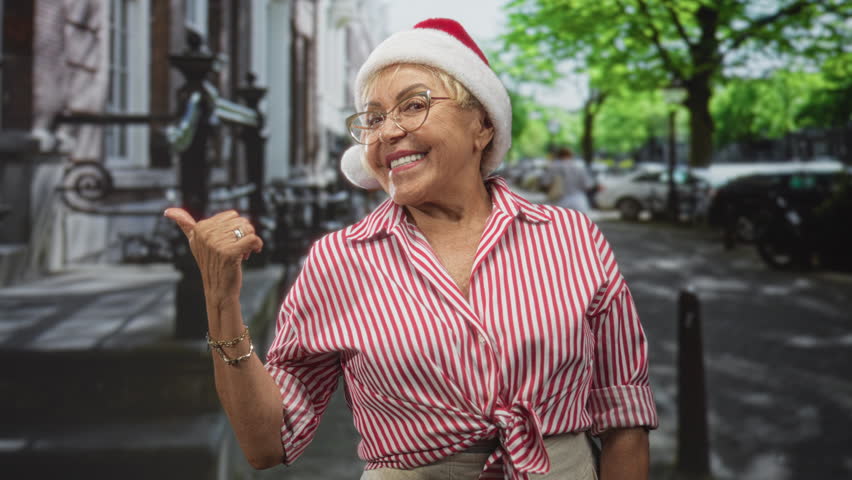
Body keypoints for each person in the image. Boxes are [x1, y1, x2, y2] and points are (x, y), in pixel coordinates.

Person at [164, 18, 657, 480]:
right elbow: (267, 443)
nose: (389, 131)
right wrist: (221, 302)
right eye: (374, 118)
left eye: (413, 104)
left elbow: (624, 414)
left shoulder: (569, 237)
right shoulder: (339, 260)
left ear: (481, 124)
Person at [546, 146, 595, 212]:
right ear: (571, 155)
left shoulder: (553, 166)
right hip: (579, 201)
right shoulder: (580, 166)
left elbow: (545, 183)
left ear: (559, 155)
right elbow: (588, 185)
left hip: (558, 201)